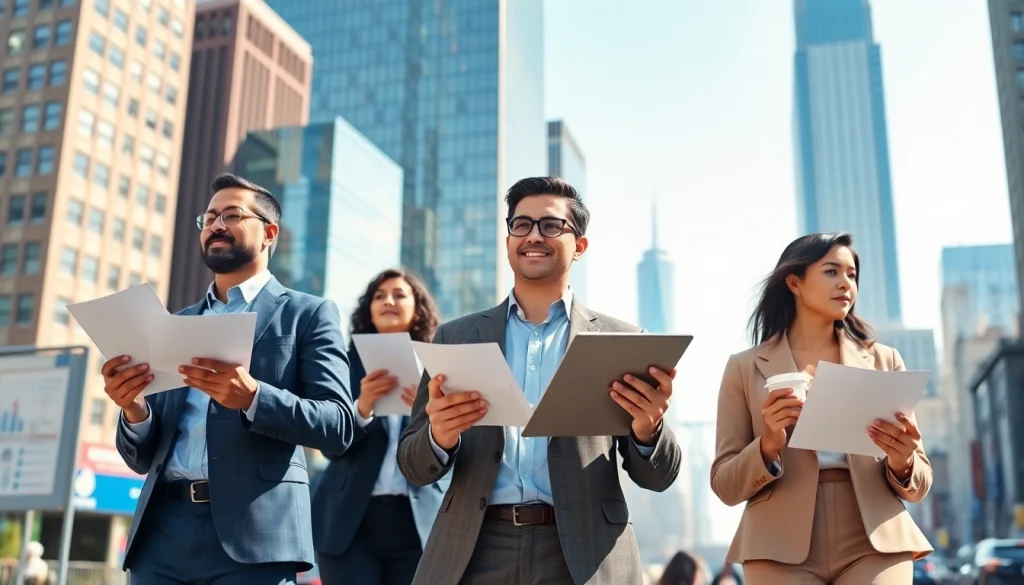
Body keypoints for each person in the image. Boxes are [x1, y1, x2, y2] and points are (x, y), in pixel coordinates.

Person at [397, 176, 682, 585]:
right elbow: (412, 464)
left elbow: (660, 476)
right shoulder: (455, 337)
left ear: (579, 246)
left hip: (584, 553)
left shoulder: (621, 341)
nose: (533, 235)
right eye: (521, 224)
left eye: (550, 226)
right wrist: (439, 437)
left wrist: (647, 429)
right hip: (474, 548)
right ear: (509, 238)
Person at [106, 173, 356, 585]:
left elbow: (338, 425)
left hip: (255, 536)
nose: (216, 225)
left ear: (269, 233)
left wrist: (254, 397)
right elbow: (140, 457)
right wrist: (133, 410)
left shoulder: (308, 314)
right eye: (209, 218)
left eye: (232, 215)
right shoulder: (175, 323)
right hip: (162, 535)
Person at [710, 233, 933, 584]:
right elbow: (725, 484)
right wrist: (768, 443)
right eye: (832, 272)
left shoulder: (884, 360)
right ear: (794, 282)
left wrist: (902, 461)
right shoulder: (744, 367)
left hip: (874, 536)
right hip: (777, 543)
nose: (846, 283)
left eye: (852, 275)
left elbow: (920, 484)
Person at [311, 267, 446, 585]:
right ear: (368, 309)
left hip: (419, 523)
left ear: (418, 310)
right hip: (349, 524)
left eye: (400, 295)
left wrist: (430, 419)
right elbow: (328, 447)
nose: (389, 300)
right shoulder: (341, 365)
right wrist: (362, 408)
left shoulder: (439, 367)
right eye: (379, 296)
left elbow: (457, 452)